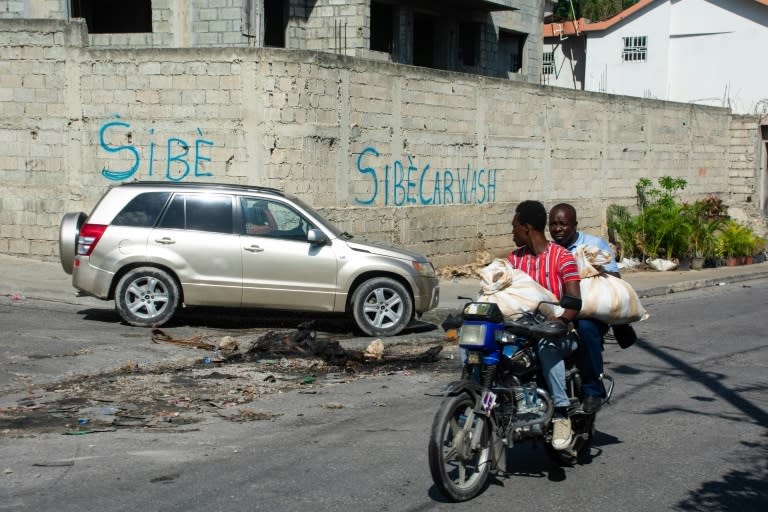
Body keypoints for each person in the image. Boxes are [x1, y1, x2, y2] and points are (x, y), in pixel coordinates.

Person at [508, 200, 581, 450]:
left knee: (546, 345)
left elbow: (574, 301)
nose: (513, 233)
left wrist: (559, 322)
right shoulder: (513, 260)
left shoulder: (563, 257)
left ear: (527, 227)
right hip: (521, 331)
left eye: (515, 227)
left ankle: (561, 413)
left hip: (556, 333)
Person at [548, 203, 618, 414]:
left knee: (586, 329)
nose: (557, 229)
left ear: (575, 225)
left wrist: (586, 270)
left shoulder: (593, 244)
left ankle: (594, 390)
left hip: (590, 311)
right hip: (558, 310)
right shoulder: (550, 251)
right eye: (553, 224)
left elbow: (615, 278)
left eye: (563, 224)